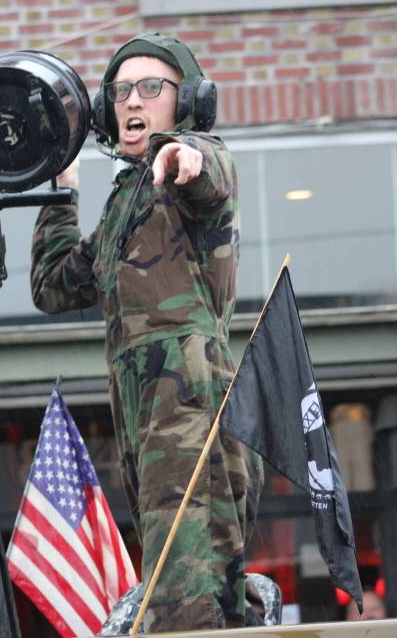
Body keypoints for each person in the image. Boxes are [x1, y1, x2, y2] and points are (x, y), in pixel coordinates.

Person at [30, 32, 262, 631]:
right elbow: (53, 284)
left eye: (151, 87)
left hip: (190, 406)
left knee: (188, 603)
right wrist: (61, 190)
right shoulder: (122, 203)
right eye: (121, 90)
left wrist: (183, 155)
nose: (132, 101)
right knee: (180, 589)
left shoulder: (193, 167)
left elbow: (206, 172)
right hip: (143, 413)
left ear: (186, 100)